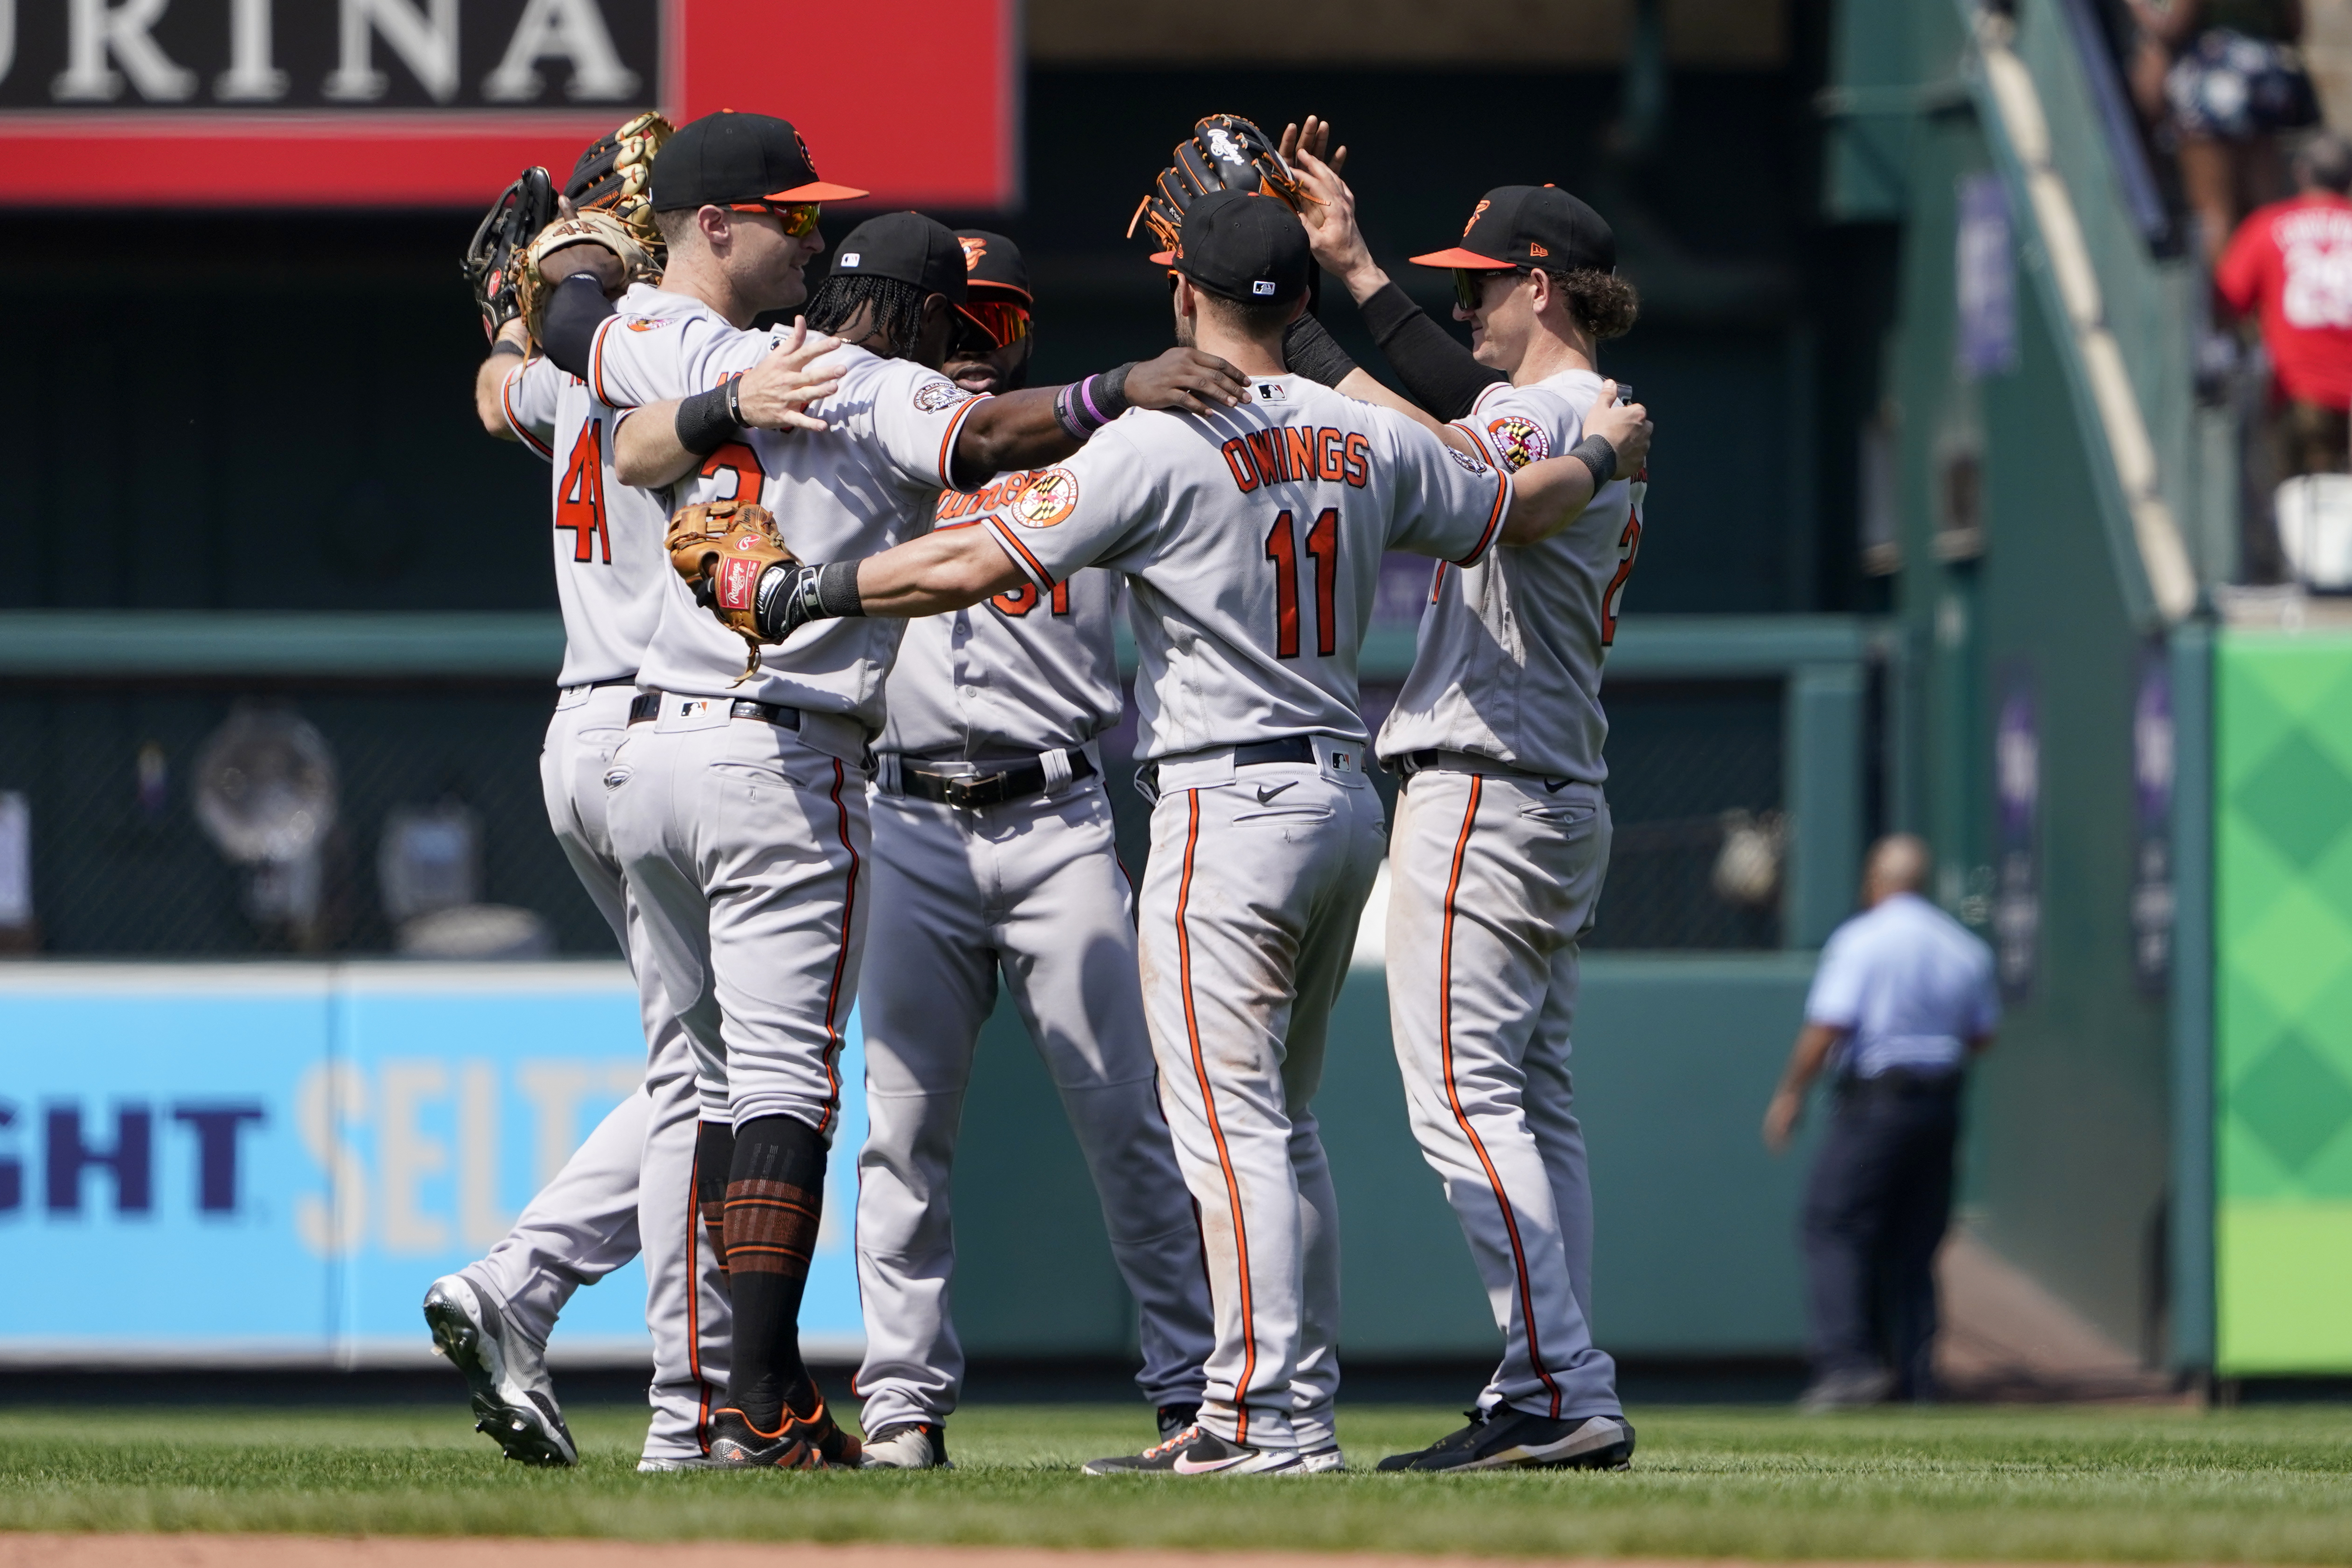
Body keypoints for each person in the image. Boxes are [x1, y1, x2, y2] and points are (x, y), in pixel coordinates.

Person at [683, 189, 1650, 1475]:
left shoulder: (1159, 434)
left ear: (1183, 297)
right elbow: (1507, 507)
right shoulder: (1361, 434)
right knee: (1284, 1124)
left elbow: (968, 564)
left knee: (1227, 1123)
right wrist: (1599, 456)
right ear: (1302, 305)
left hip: (1224, 800)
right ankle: (1286, 1405)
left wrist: (801, 588)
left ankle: (1258, 1417)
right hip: (1342, 798)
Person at [571, 144, 1253, 1468]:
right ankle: (814, 1403)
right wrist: (1130, 384)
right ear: (919, 316)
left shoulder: (720, 358)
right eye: (957, 320)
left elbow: (622, 411)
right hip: (833, 777)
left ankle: (718, 1403)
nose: (969, 345)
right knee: (823, 1104)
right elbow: (985, 435)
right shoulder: (888, 388)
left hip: (712, 755)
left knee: (721, 1085)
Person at [433, 119, 840, 1471]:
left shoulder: (578, 360)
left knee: (701, 1073)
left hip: (588, 729)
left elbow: (506, 391)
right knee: (710, 1083)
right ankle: (690, 1407)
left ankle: (533, 1287)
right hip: (679, 715)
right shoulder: (669, 347)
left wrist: (513, 321)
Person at [1276, 124, 1645, 1471]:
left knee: (1463, 1103)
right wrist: (1349, 267)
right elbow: (1445, 407)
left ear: (1539, 287)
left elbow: (1429, 442)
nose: (1461, 305)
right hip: (1554, 787)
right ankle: (1551, 1369)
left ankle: (1555, 1382)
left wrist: (1294, 331)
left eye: (1482, 284)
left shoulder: (1553, 428)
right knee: (1531, 1101)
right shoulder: (1578, 411)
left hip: (1483, 786)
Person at [849, 229, 1215, 1471]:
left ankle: (1190, 1393)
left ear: (1017, 331)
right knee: (901, 1131)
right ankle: (899, 1406)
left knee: (1131, 1126)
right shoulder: (866, 442)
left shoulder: (1103, 451)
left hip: (1057, 815)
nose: (963, 342)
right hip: (903, 817)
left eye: (985, 319)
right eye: (945, 318)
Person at [1762, 834, 1999, 1412]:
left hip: (1877, 1101)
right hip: (1940, 1101)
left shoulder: (1862, 940)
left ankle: (1848, 1366)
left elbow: (1829, 1024)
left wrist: (1790, 1092)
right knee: (1915, 1243)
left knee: (1832, 1223)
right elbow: (1981, 1035)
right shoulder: (1962, 947)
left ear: (1875, 880)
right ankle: (1917, 1378)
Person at [2127, 0, 2315, 268]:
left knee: (2214, 213)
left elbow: (2172, 27)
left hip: (2213, 79)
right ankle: (2264, 299)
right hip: (2265, 80)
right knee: (2263, 209)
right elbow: (2295, 28)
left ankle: (2228, 303)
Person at [2217, 131, 2352, 484]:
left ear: (2301, 173)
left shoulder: (2268, 227)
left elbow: (2228, 301)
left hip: (2298, 392)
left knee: (2300, 503)